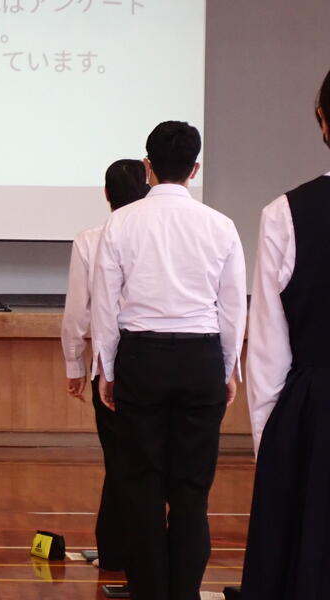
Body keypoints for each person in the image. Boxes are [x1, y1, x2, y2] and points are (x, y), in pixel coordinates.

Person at [91, 121, 247, 600]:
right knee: (191, 493)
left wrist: (108, 370)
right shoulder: (220, 225)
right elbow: (232, 308)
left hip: (142, 358)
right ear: (194, 169)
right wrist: (227, 368)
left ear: (148, 167)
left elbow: (105, 305)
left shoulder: (120, 223)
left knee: (141, 490)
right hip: (201, 359)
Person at [240, 68, 330, 600]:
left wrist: (270, 447)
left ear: (323, 120)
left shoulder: (285, 213)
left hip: (313, 417)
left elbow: (268, 348)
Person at [61, 159, 149, 572]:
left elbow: (78, 311)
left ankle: (117, 549)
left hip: (111, 362)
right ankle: (144, 551)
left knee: (118, 458)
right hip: (165, 356)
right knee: (152, 460)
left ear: (106, 193)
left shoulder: (92, 238)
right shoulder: (159, 232)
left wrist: (73, 364)